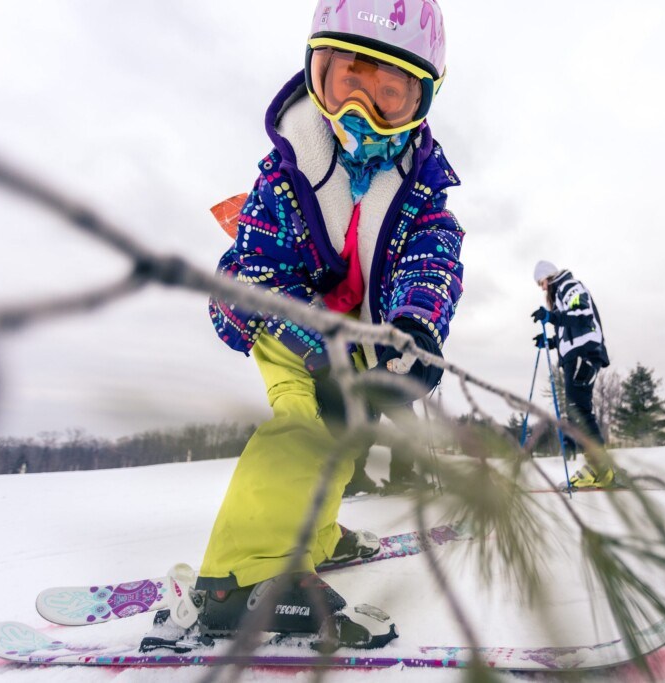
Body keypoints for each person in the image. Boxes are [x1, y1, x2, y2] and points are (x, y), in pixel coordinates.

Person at [191, 0, 463, 649]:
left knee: (345, 431)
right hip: (289, 322)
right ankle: (243, 574)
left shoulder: (419, 191)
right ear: (316, 76)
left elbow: (431, 259)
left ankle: (314, 534)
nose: (359, 116)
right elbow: (255, 262)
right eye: (346, 84)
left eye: (388, 95)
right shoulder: (288, 173)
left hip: (356, 336)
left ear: (421, 102)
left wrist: (414, 330)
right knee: (303, 424)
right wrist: (308, 341)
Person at [530, 261, 612, 488]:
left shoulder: (569, 286)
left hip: (584, 354)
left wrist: (551, 318)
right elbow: (570, 328)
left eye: (542, 282)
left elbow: (582, 314)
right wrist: (550, 341)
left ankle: (601, 469)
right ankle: (599, 467)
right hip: (577, 354)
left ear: (550, 276)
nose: (543, 288)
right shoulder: (560, 296)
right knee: (578, 412)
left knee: (579, 412)